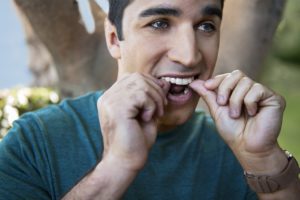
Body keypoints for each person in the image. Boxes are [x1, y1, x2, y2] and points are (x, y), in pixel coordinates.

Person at [0, 0, 299, 199]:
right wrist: (116, 166)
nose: (189, 55)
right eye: (159, 23)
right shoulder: (31, 144)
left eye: (206, 25)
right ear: (115, 39)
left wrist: (263, 160)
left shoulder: (238, 152)